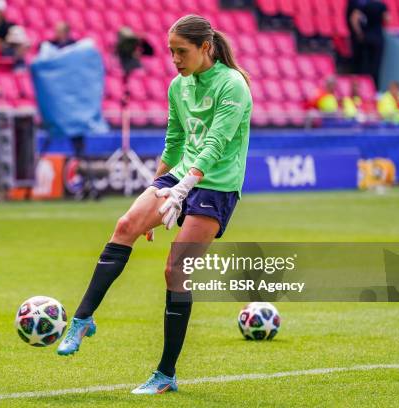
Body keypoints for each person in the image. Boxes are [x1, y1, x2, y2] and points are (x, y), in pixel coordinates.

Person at [56, 14, 252, 394]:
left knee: (175, 270)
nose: (175, 60)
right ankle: (82, 320)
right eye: (170, 52)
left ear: (205, 48)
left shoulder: (233, 85)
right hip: (179, 174)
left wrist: (181, 192)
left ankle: (165, 374)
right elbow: (174, 141)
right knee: (126, 225)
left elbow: (216, 144)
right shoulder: (178, 86)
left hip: (216, 186)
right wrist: (154, 192)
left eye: (182, 52)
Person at [351, 0, 389, 88]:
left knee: (365, 65)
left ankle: (363, 87)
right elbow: (387, 19)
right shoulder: (382, 5)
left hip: (366, 38)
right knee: (376, 66)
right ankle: (374, 88)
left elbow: (354, 18)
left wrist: (359, 32)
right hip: (377, 38)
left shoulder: (364, 5)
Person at [0, 0, 29, 68]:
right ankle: (18, 64)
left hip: (6, 45)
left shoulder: (6, 24)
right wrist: (1, 44)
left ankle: (19, 64)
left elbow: (11, 35)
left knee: (19, 37)